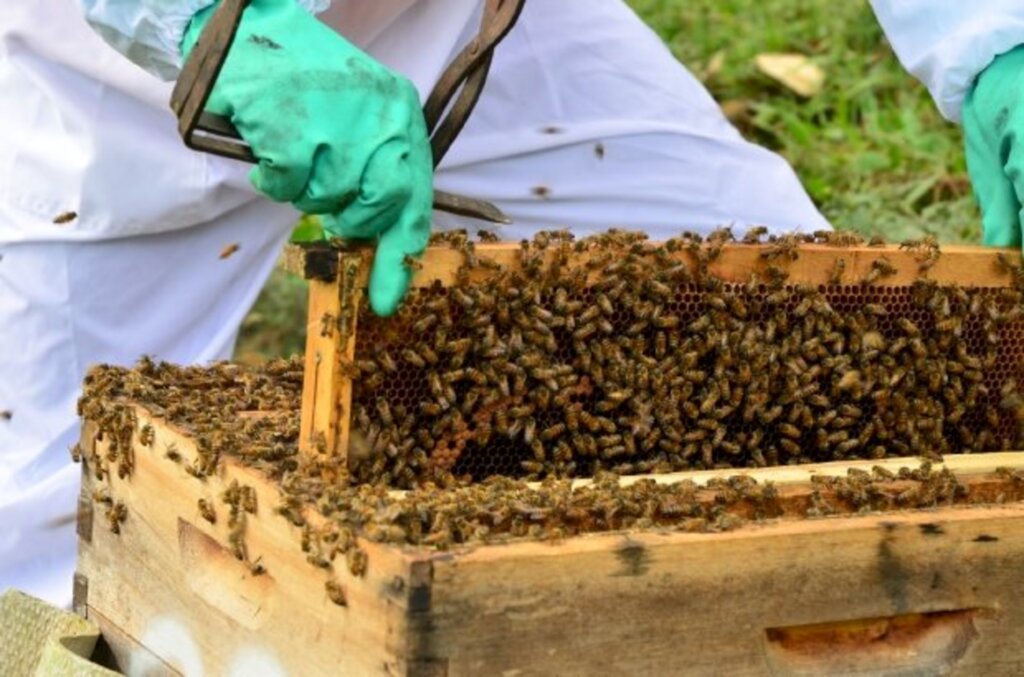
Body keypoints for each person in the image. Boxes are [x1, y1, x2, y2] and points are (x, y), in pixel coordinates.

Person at [0, 0, 1009, 609]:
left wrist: (992, 38)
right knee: (41, 565)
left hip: (466, 31)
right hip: (89, 87)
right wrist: (203, 25)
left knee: (783, 326)